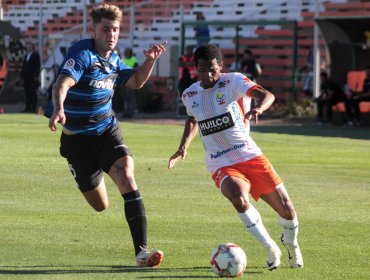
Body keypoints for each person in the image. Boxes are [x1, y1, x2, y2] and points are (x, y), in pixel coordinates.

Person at [48, 4, 166, 267]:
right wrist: (59, 108)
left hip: (106, 130)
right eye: (105, 29)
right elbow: (63, 82)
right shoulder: (82, 53)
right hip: (77, 141)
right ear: (93, 29)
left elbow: (136, 81)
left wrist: (150, 61)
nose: (111, 34)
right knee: (100, 205)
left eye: (115, 29)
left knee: (126, 175)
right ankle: (89, 170)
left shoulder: (113, 59)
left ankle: (141, 253)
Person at [168, 44, 303, 270]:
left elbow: (267, 95)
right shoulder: (190, 94)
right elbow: (193, 119)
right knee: (238, 197)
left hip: (248, 153)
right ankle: (270, 247)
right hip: (219, 160)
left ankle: (291, 244)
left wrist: (259, 109)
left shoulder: (234, 81)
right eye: (202, 70)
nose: (208, 75)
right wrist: (183, 147)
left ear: (220, 66)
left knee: (287, 210)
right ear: (195, 69)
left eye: (213, 69)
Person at [20, 42, 41, 112]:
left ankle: (34, 108)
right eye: (28, 46)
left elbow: (37, 66)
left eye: (30, 46)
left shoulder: (36, 55)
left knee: (33, 92)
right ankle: (27, 107)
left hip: (32, 78)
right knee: (27, 93)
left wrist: (36, 76)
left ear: (32, 47)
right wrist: (21, 77)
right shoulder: (26, 56)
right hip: (26, 78)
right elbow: (23, 67)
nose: (28, 47)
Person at [121, 47, 139, 118]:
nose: (126, 53)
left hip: (131, 82)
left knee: (130, 98)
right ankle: (126, 112)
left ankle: (131, 112)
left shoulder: (134, 60)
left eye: (127, 52)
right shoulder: (123, 60)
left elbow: (136, 70)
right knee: (125, 98)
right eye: (125, 52)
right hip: (123, 82)